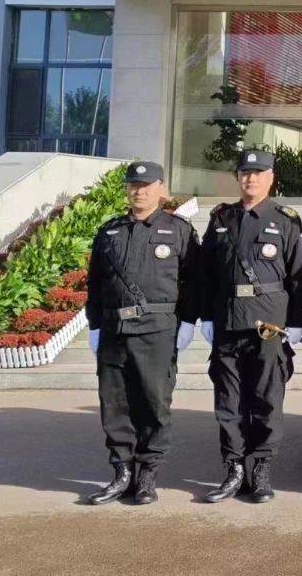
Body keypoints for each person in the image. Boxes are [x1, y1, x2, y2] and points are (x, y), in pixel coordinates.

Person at [84, 161, 199, 506]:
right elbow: (95, 284)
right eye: (134, 185)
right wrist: (94, 325)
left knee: (153, 402)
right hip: (114, 330)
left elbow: (194, 281)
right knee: (114, 403)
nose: (139, 191)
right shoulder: (110, 232)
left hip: (157, 331)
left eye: (146, 185)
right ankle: (122, 472)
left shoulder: (178, 230)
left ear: (161, 188)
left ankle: (147, 472)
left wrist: (189, 322)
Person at [197, 149, 302, 504]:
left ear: (271, 178)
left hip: (268, 323)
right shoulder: (221, 218)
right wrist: (206, 316)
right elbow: (206, 274)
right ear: (238, 177)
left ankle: (260, 469)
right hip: (228, 321)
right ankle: (234, 468)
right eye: (245, 172)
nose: (251, 179)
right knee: (228, 401)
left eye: (258, 173)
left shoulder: (285, 220)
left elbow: (298, 278)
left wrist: (297, 323)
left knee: (266, 398)